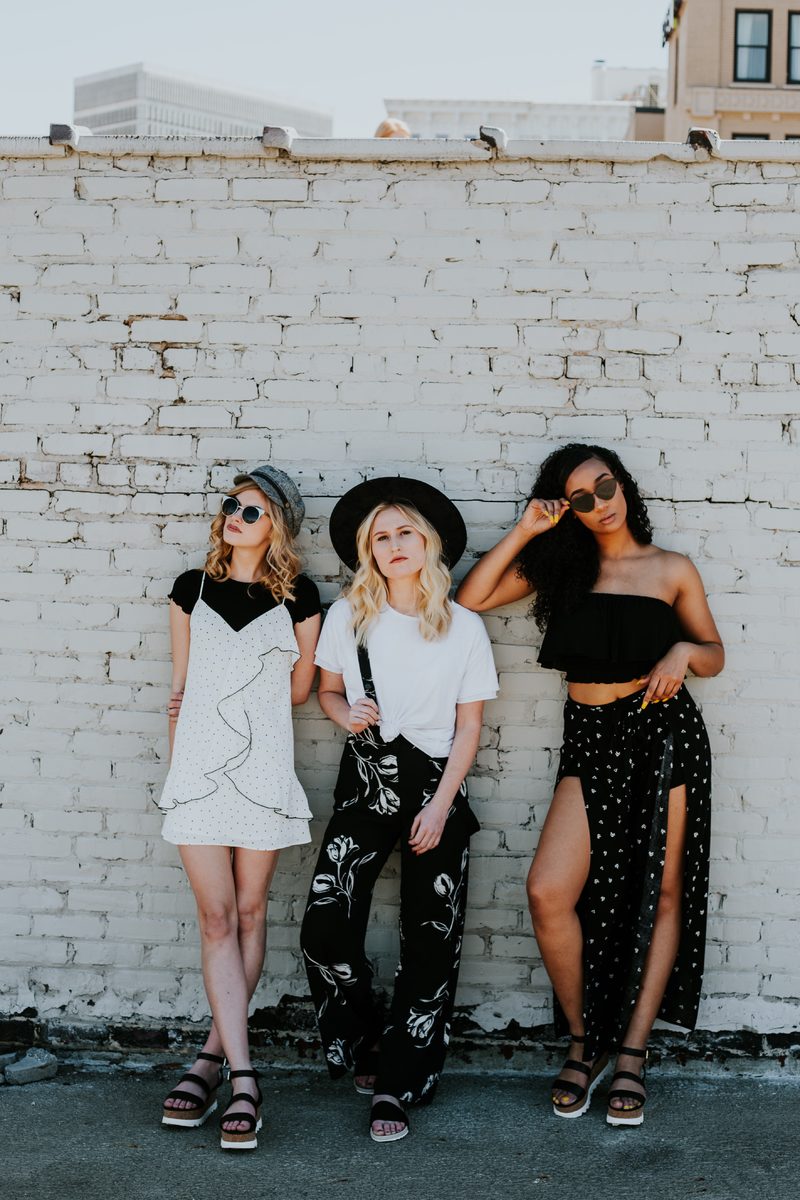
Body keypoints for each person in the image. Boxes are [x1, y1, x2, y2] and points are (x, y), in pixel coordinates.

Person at [456, 444, 723, 1127]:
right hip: (590, 737)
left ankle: (632, 1051)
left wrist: (682, 650)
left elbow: (713, 654)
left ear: (622, 486)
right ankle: (585, 1040)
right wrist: (527, 529)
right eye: (580, 498)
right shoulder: (562, 569)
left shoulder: (671, 569)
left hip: (663, 732)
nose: (599, 503)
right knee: (548, 891)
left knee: (664, 891)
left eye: (605, 487)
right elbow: (469, 599)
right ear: (567, 508)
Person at [300, 477, 498, 1143]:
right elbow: (327, 692)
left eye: (404, 533)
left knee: (430, 941)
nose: (393, 545)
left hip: (436, 786)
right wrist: (344, 713)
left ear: (428, 542)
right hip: (366, 782)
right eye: (380, 537)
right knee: (325, 928)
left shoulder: (463, 627)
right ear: (369, 551)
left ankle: (399, 1081)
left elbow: (469, 727)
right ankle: (367, 1039)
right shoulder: (348, 616)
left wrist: (440, 808)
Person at [158, 464, 321, 1151]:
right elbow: (181, 685)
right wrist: (182, 762)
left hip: (262, 770)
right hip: (198, 773)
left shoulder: (300, 598)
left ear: (277, 524)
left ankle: (209, 1059)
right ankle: (245, 1076)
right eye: (232, 505)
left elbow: (300, 691)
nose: (236, 516)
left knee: (250, 914)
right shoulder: (189, 589)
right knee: (217, 917)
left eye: (253, 510)